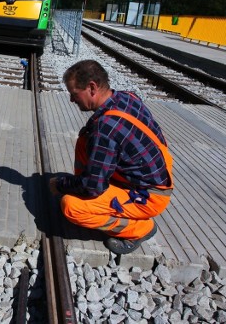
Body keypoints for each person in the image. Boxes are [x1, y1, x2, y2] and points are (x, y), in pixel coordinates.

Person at [49, 60, 174, 255]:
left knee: (71, 207)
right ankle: (86, 188)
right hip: (154, 175)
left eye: (74, 94)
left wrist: (61, 184)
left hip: (149, 196)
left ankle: (142, 230)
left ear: (92, 88)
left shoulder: (105, 128)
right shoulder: (126, 97)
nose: (72, 100)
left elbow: (93, 186)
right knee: (85, 138)